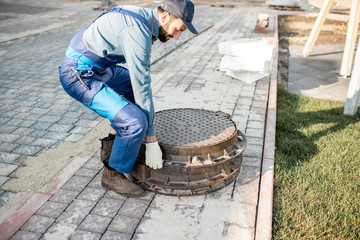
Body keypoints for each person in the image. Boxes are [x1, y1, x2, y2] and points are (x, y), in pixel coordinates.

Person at [59, 0, 198, 196]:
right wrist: (151, 141)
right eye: (178, 29)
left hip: (101, 68)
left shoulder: (142, 17)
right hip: (79, 74)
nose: (176, 36)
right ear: (165, 17)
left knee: (131, 92)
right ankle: (112, 175)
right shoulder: (137, 32)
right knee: (135, 122)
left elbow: (138, 86)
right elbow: (143, 87)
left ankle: (110, 147)